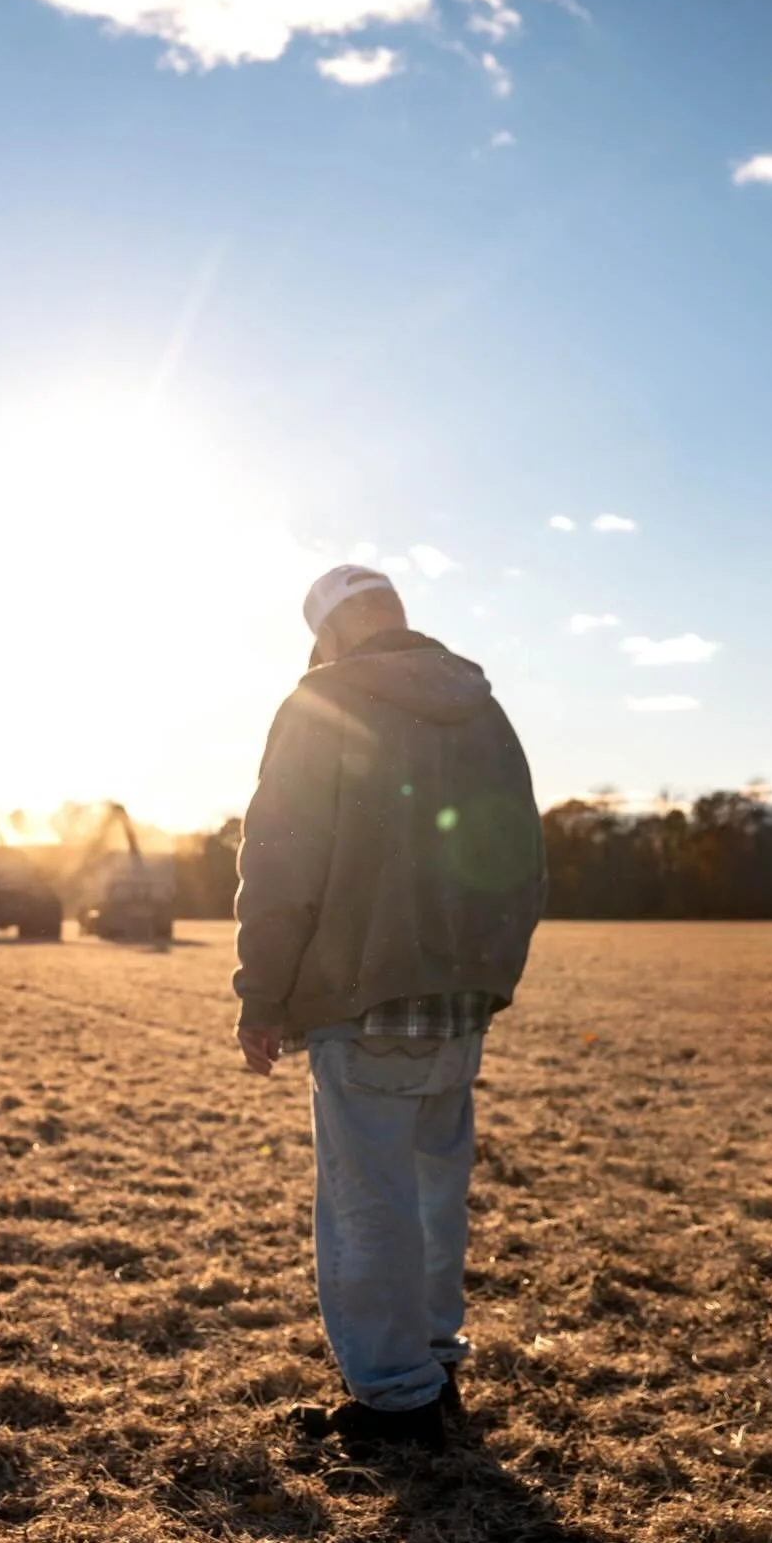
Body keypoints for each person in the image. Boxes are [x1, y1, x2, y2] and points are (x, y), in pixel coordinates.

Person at [233, 564, 547, 1452]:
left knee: (367, 1202)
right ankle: (435, 1364)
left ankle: (396, 1401)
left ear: (330, 634)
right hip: (460, 999)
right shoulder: (484, 709)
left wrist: (262, 992)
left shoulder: (321, 703)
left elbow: (282, 861)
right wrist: (491, 978)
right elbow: (523, 854)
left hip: (363, 999)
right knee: (433, 1194)